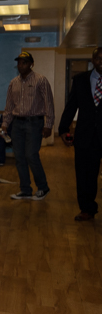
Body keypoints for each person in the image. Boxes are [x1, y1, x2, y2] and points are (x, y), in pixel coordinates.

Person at [0, 50, 53, 200]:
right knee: (20, 157)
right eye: (19, 63)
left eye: (24, 62)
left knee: (31, 155)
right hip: (17, 125)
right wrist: (5, 125)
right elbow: (9, 106)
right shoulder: (13, 83)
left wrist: (48, 124)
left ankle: (43, 187)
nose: (21, 65)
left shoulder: (40, 80)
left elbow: (49, 103)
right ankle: (25, 190)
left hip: (34, 123)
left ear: (31, 64)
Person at [58, 46, 102, 221]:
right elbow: (71, 106)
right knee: (85, 175)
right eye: (98, 58)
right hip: (86, 137)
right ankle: (87, 209)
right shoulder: (80, 80)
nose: (101, 62)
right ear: (93, 60)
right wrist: (63, 129)